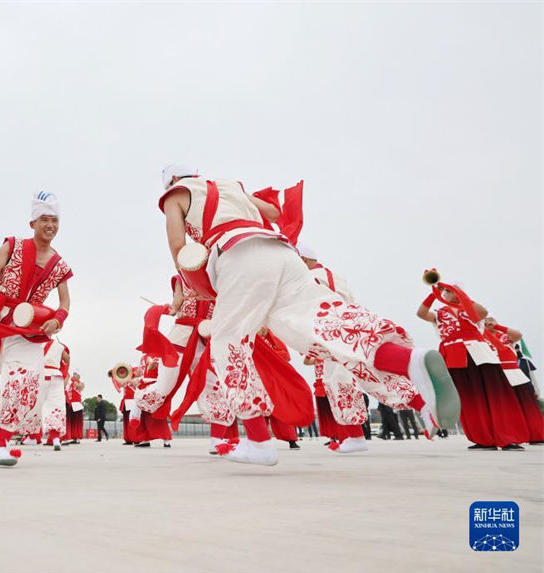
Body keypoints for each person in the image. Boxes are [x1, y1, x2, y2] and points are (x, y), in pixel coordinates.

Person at [158, 165, 458, 466]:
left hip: (237, 254)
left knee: (227, 342)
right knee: (328, 328)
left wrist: (188, 282)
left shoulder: (176, 195)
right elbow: (272, 214)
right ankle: (410, 360)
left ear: (171, 181)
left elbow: (177, 245)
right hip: (282, 254)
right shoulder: (229, 186)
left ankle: (259, 441)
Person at [0, 192, 72, 466]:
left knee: (25, 383)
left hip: (30, 329)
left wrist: (57, 320)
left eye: (54, 220)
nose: (50, 225)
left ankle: (0, 445)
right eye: (44, 219)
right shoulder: (13, 245)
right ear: (32, 223)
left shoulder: (60, 265)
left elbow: (65, 302)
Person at [417, 278, 528, 450]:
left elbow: (482, 313)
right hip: (454, 357)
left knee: (494, 394)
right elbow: (422, 314)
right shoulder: (439, 313)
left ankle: (507, 437)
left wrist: (460, 295)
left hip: (480, 354)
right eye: (446, 291)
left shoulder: (469, 308)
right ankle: (482, 438)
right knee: (469, 398)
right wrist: (433, 295)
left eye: (451, 290)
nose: (447, 293)